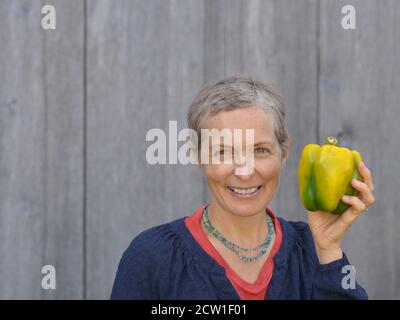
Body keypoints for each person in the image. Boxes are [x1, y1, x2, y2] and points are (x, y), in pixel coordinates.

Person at [111, 75, 374, 300]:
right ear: (197, 155)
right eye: (224, 151)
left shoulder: (313, 250)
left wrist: (328, 249)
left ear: (284, 151)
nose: (245, 172)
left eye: (260, 150)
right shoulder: (151, 258)